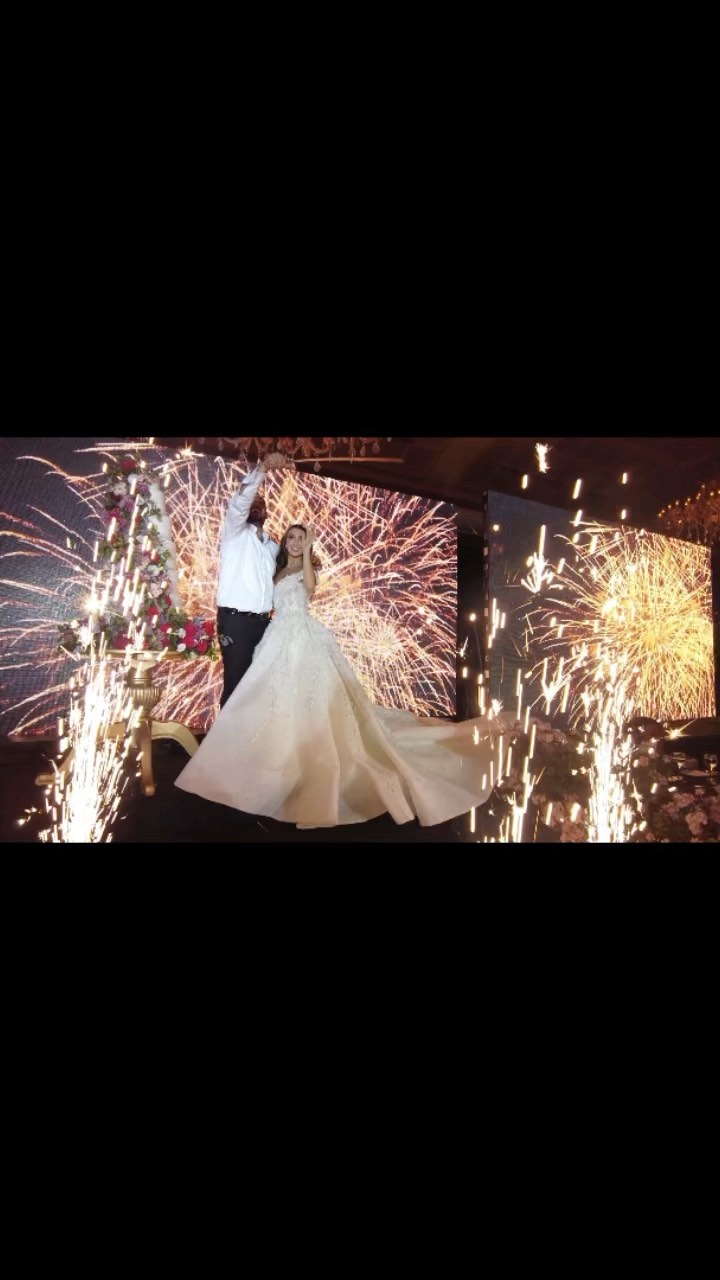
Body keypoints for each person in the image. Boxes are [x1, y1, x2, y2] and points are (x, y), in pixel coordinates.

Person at [176, 520, 496, 828]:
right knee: (273, 698)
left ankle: (304, 760)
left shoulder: (305, 568)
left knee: (306, 696)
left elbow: (310, 588)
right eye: (292, 538)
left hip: (300, 635)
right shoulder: (276, 571)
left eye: (301, 538)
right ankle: (269, 759)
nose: (296, 543)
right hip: (275, 635)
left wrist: (309, 553)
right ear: (284, 543)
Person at [216, 450, 295, 707]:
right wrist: (263, 469)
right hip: (236, 622)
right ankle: (224, 734)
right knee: (236, 687)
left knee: (259, 693)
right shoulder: (235, 534)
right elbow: (240, 502)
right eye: (252, 500)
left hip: (265, 624)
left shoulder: (272, 547)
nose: (256, 504)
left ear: (267, 512)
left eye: (261, 501)